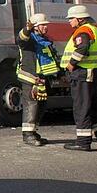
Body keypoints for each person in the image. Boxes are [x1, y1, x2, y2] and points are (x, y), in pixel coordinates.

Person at [60, 5, 97, 151]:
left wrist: (71, 64)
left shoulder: (83, 31)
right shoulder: (95, 30)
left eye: (71, 19)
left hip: (83, 73)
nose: (69, 21)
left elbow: (82, 48)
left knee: (81, 107)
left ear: (80, 19)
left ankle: (83, 142)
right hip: (92, 74)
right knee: (92, 107)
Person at [16, 13, 59, 146]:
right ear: (35, 27)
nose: (46, 27)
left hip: (42, 78)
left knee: (41, 105)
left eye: (46, 25)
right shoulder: (29, 40)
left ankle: (33, 131)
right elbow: (21, 38)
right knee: (31, 105)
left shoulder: (45, 41)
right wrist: (27, 29)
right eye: (43, 25)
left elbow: (51, 58)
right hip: (30, 78)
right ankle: (27, 134)